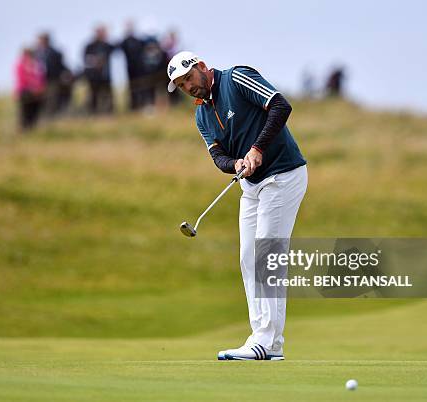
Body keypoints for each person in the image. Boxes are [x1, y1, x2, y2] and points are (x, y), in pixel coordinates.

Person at [167, 51, 308, 361]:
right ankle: (265, 340)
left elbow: (281, 106)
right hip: (252, 185)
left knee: (265, 255)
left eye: (189, 78)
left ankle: (266, 341)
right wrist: (237, 163)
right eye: (180, 85)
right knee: (248, 256)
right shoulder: (201, 115)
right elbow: (218, 157)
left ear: (202, 67)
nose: (188, 86)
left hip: (283, 175)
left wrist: (257, 148)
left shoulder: (236, 78)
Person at [83, 25, 115, 115]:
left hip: (105, 76)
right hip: (93, 77)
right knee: (93, 96)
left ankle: (108, 113)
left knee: (108, 96)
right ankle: (93, 113)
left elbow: (116, 48)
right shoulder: (89, 46)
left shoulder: (107, 46)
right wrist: (96, 62)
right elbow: (86, 59)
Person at [35, 32, 69, 115]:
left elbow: (61, 66)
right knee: (40, 100)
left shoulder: (55, 53)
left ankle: (51, 115)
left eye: (42, 40)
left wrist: (67, 73)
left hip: (52, 80)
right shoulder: (36, 53)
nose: (40, 42)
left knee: (52, 99)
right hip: (38, 81)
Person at [14, 48, 45, 130]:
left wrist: (39, 88)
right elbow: (21, 78)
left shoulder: (37, 64)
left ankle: (32, 128)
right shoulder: (20, 65)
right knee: (25, 111)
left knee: (35, 111)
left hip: (37, 92)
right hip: (25, 91)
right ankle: (23, 129)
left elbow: (41, 77)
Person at [119, 21, 145, 111]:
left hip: (139, 68)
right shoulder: (125, 42)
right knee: (131, 88)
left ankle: (141, 104)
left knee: (141, 86)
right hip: (129, 68)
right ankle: (133, 106)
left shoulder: (139, 41)